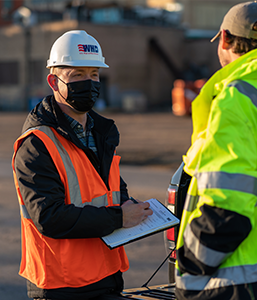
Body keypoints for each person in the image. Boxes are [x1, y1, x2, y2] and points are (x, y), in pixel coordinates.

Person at [12, 30, 153, 300]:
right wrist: (119, 218)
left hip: (106, 276)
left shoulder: (103, 133)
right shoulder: (37, 143)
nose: (89, 83)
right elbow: (48, 217)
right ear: (53, 81)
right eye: (77, 75)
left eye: (94, 75)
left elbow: (112, 193)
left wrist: (136, 209)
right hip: (62, 285)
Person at [175, 2, 257, 300]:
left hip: (238, 281)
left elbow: (227, 209)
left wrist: (191, 261)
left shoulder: (235, 99)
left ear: (225, 39)